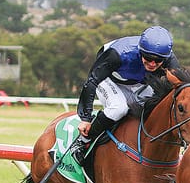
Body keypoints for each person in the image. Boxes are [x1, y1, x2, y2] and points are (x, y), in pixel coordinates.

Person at [72, 25, 178, 163]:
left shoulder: (170, 61)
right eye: (148, 58)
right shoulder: (118, 54)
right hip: (108, 79)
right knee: (119, 108)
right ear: (140, 51)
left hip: (137, 82)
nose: (152, 64)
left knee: (155, 107)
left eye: (158, 60)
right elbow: (92, 81)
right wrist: (85, 118)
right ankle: (84, 140)